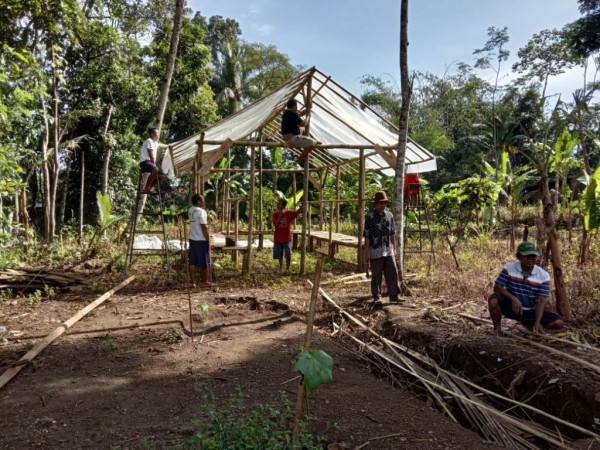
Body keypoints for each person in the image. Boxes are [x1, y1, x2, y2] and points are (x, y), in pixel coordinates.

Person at [488, 241, 564, 336]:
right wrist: (513, 299)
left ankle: (530, 324)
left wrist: (537, 322)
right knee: (494, 300)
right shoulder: (509, 267)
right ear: (518, 257)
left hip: (531, 310)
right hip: (513, 308)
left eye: (533, 256)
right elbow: (497, 287)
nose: (531, 259)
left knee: (558, 323)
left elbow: (541, 300)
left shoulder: (543, 275)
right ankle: (497, 329)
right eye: (527, 256)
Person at [363, 191, 401, 306]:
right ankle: (377, 297)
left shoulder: (389, 216)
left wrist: (394, 249)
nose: (383, 205)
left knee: (392, 272)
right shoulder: (369, 217)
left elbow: (392, 233)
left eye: (384, 203)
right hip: (375, 250)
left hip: (388, 249)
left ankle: (394, 295)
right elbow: (367, 236)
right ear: (376, 204)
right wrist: (367, 252)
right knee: (376, 275)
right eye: (381, 203)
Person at [281, 98, 320, 163]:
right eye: (296, 106)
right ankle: (300, 157)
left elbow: (298, 114)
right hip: (293, 138)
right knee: (313, 144)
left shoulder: (287, 113)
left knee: (302, 128)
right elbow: (304, 123)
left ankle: (306, 139)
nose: (297, 108)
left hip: (287, 138)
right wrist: (308, 117)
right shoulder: (291, 113)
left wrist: (308, 109)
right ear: (294, 106)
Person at [272, 198, 302, 273]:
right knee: (279, 255)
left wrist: (302, 205)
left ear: (283, 205)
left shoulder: (288, 213)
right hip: (278, 237)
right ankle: (281, 267)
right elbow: (275, 224)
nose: (277, 205)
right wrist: (281, 214)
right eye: (278, 204)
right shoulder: (275, 214)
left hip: (286, 238)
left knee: (288, 254)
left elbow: (297, 212)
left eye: (279, 204)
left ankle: (287, 269)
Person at [189, 194, 211, 287]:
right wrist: (208, 240)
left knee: (192, 261)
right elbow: (204, 227)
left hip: (192, 238)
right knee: (205, 262)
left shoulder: (191, 210)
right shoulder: (201, 212)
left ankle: (193, 282)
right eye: (202, 200)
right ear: (198, 201)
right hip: (201, 239)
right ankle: (205, 281)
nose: (204, 202)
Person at [140, 127, 167, 194]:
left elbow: (162, 145)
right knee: (155, 169)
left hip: (150, 163)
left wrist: (169, 146)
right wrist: (154, 164)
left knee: (162, 177)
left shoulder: (155, 143)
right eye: (157, 133)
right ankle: (146, 188)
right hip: (144, 162)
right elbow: (150, 154)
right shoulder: (149, 141)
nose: (158, 134)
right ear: (152, 134)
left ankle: (148, 188)